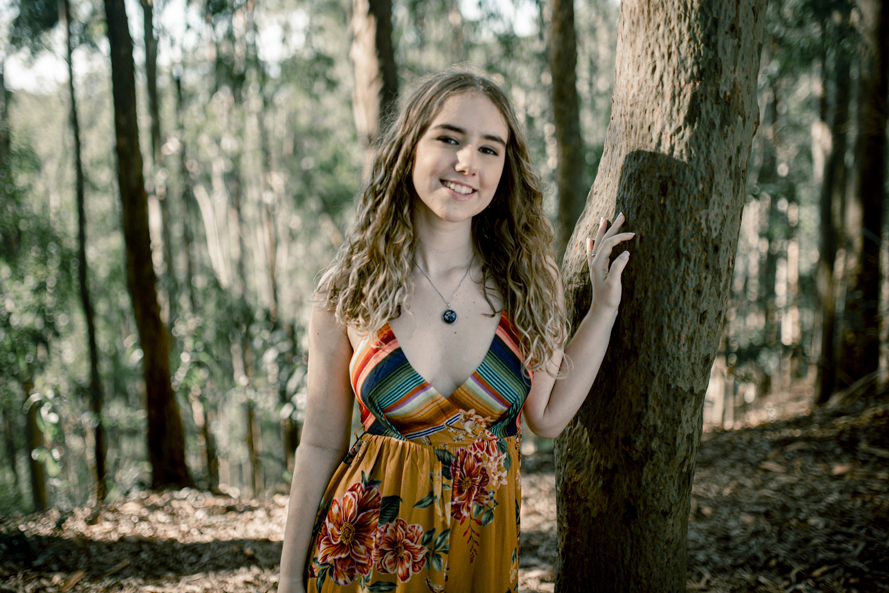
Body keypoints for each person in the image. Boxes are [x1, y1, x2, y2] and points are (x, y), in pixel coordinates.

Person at [277, 70, 633, 593]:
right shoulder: (348, 290)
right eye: (449, 138)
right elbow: (320, 443)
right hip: (361, 561)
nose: (468, 163)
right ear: (409, 148)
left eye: (490, 149)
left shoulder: (529, 283)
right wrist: (287, 578)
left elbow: (549, 416)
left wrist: (603, 309)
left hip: (478, 564)